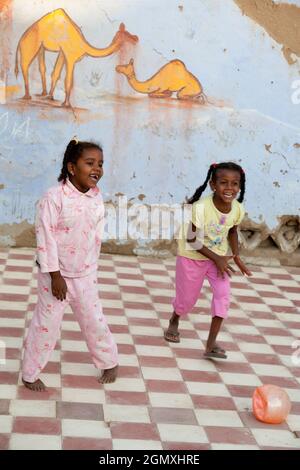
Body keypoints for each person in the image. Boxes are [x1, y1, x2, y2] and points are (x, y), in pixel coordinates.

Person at [22, 138, 118, 391]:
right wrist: (55, 275)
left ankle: (109, 361)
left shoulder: (97, 197)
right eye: (89, 163)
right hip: (55, 277)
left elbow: (94, 236)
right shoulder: (54, 198)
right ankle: (30, 373)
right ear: (72, 168)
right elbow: (45, 238)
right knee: (46, 325)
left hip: (85, 274)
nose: (96, 168)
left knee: (94, 319)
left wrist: (90, 268)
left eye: (100, 164)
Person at [164, 162, 252, 359]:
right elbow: (191, 238)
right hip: (192, 256)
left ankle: (211, 344)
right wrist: (218, 258)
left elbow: (232, 231)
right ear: (213, 185)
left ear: (240, 186)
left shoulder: (238, 209)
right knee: (186, 300)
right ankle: (175, 318)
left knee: (223, 296)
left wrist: (236, 256)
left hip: (218, 259)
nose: (229, 188)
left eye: (235, 184)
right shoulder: (202, 207)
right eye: (223, 183)